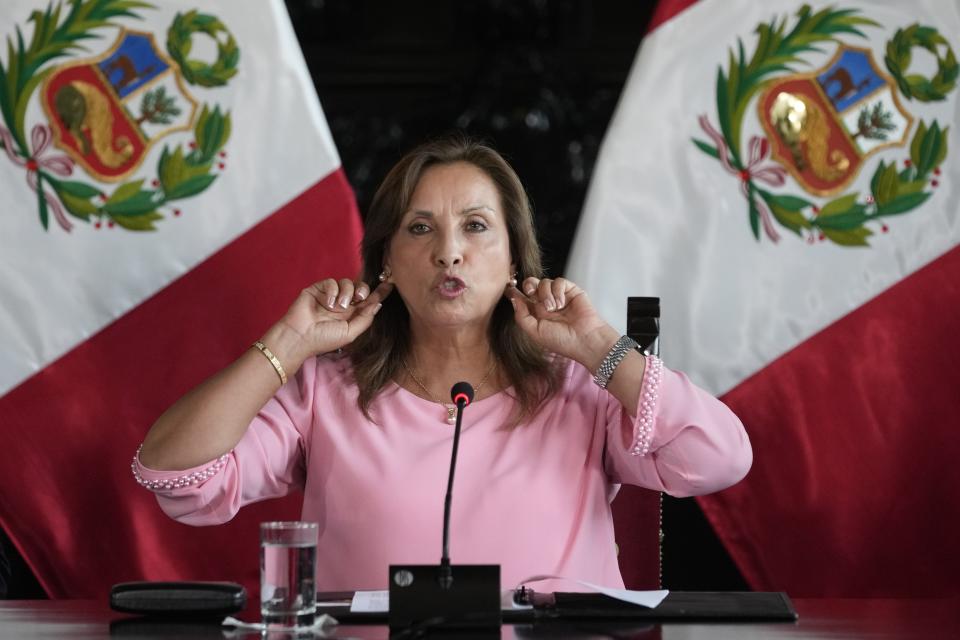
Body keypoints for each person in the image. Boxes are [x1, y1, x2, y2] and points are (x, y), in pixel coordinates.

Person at [133, 134, 752, 591]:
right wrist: (288, 345)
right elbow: (175, 474)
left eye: (476, 227)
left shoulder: (576, 391)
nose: (449, 253)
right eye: (420, 229)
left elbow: (719, 459)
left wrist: (597, 348)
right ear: (387, 262)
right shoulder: (327, 389)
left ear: (514, 258)